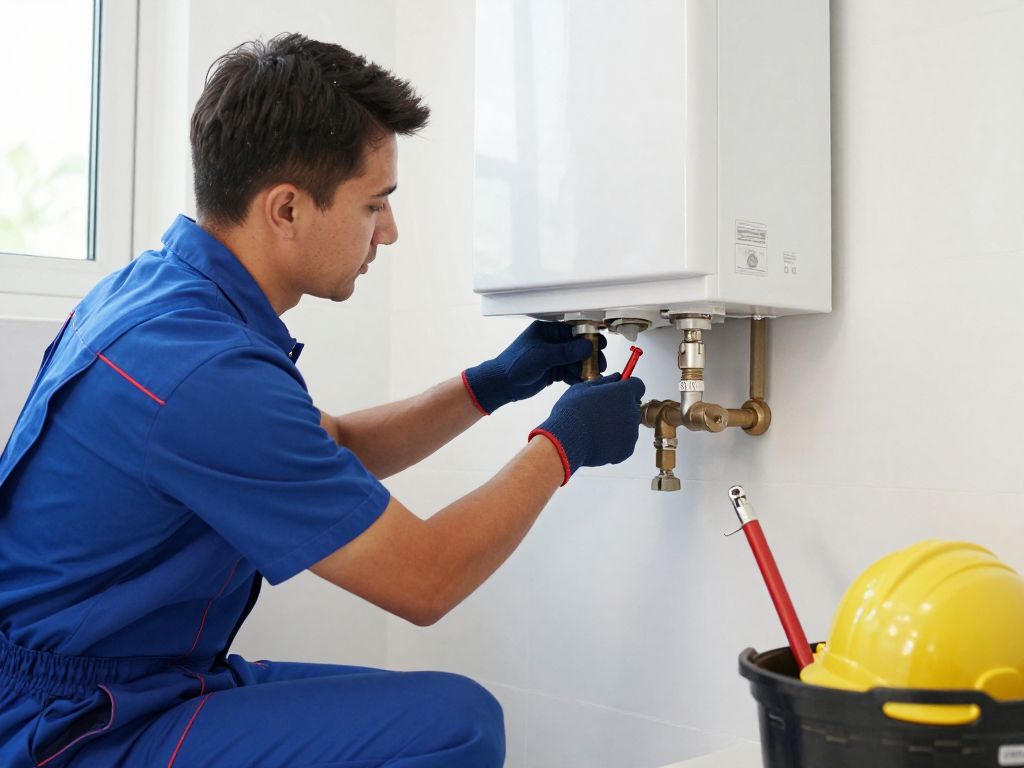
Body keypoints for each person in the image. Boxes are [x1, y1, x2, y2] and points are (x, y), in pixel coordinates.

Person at [0, 34, 645, 767]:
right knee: (456, 722)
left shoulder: (166, 297)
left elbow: (325, 446)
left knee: (446, 720)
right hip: (70, 726)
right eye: (375, 205)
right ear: (286, 209)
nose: (390, 232)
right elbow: (426, 579)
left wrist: (488, 386)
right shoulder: (201, 369)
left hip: (128, 681)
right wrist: (563, 446)